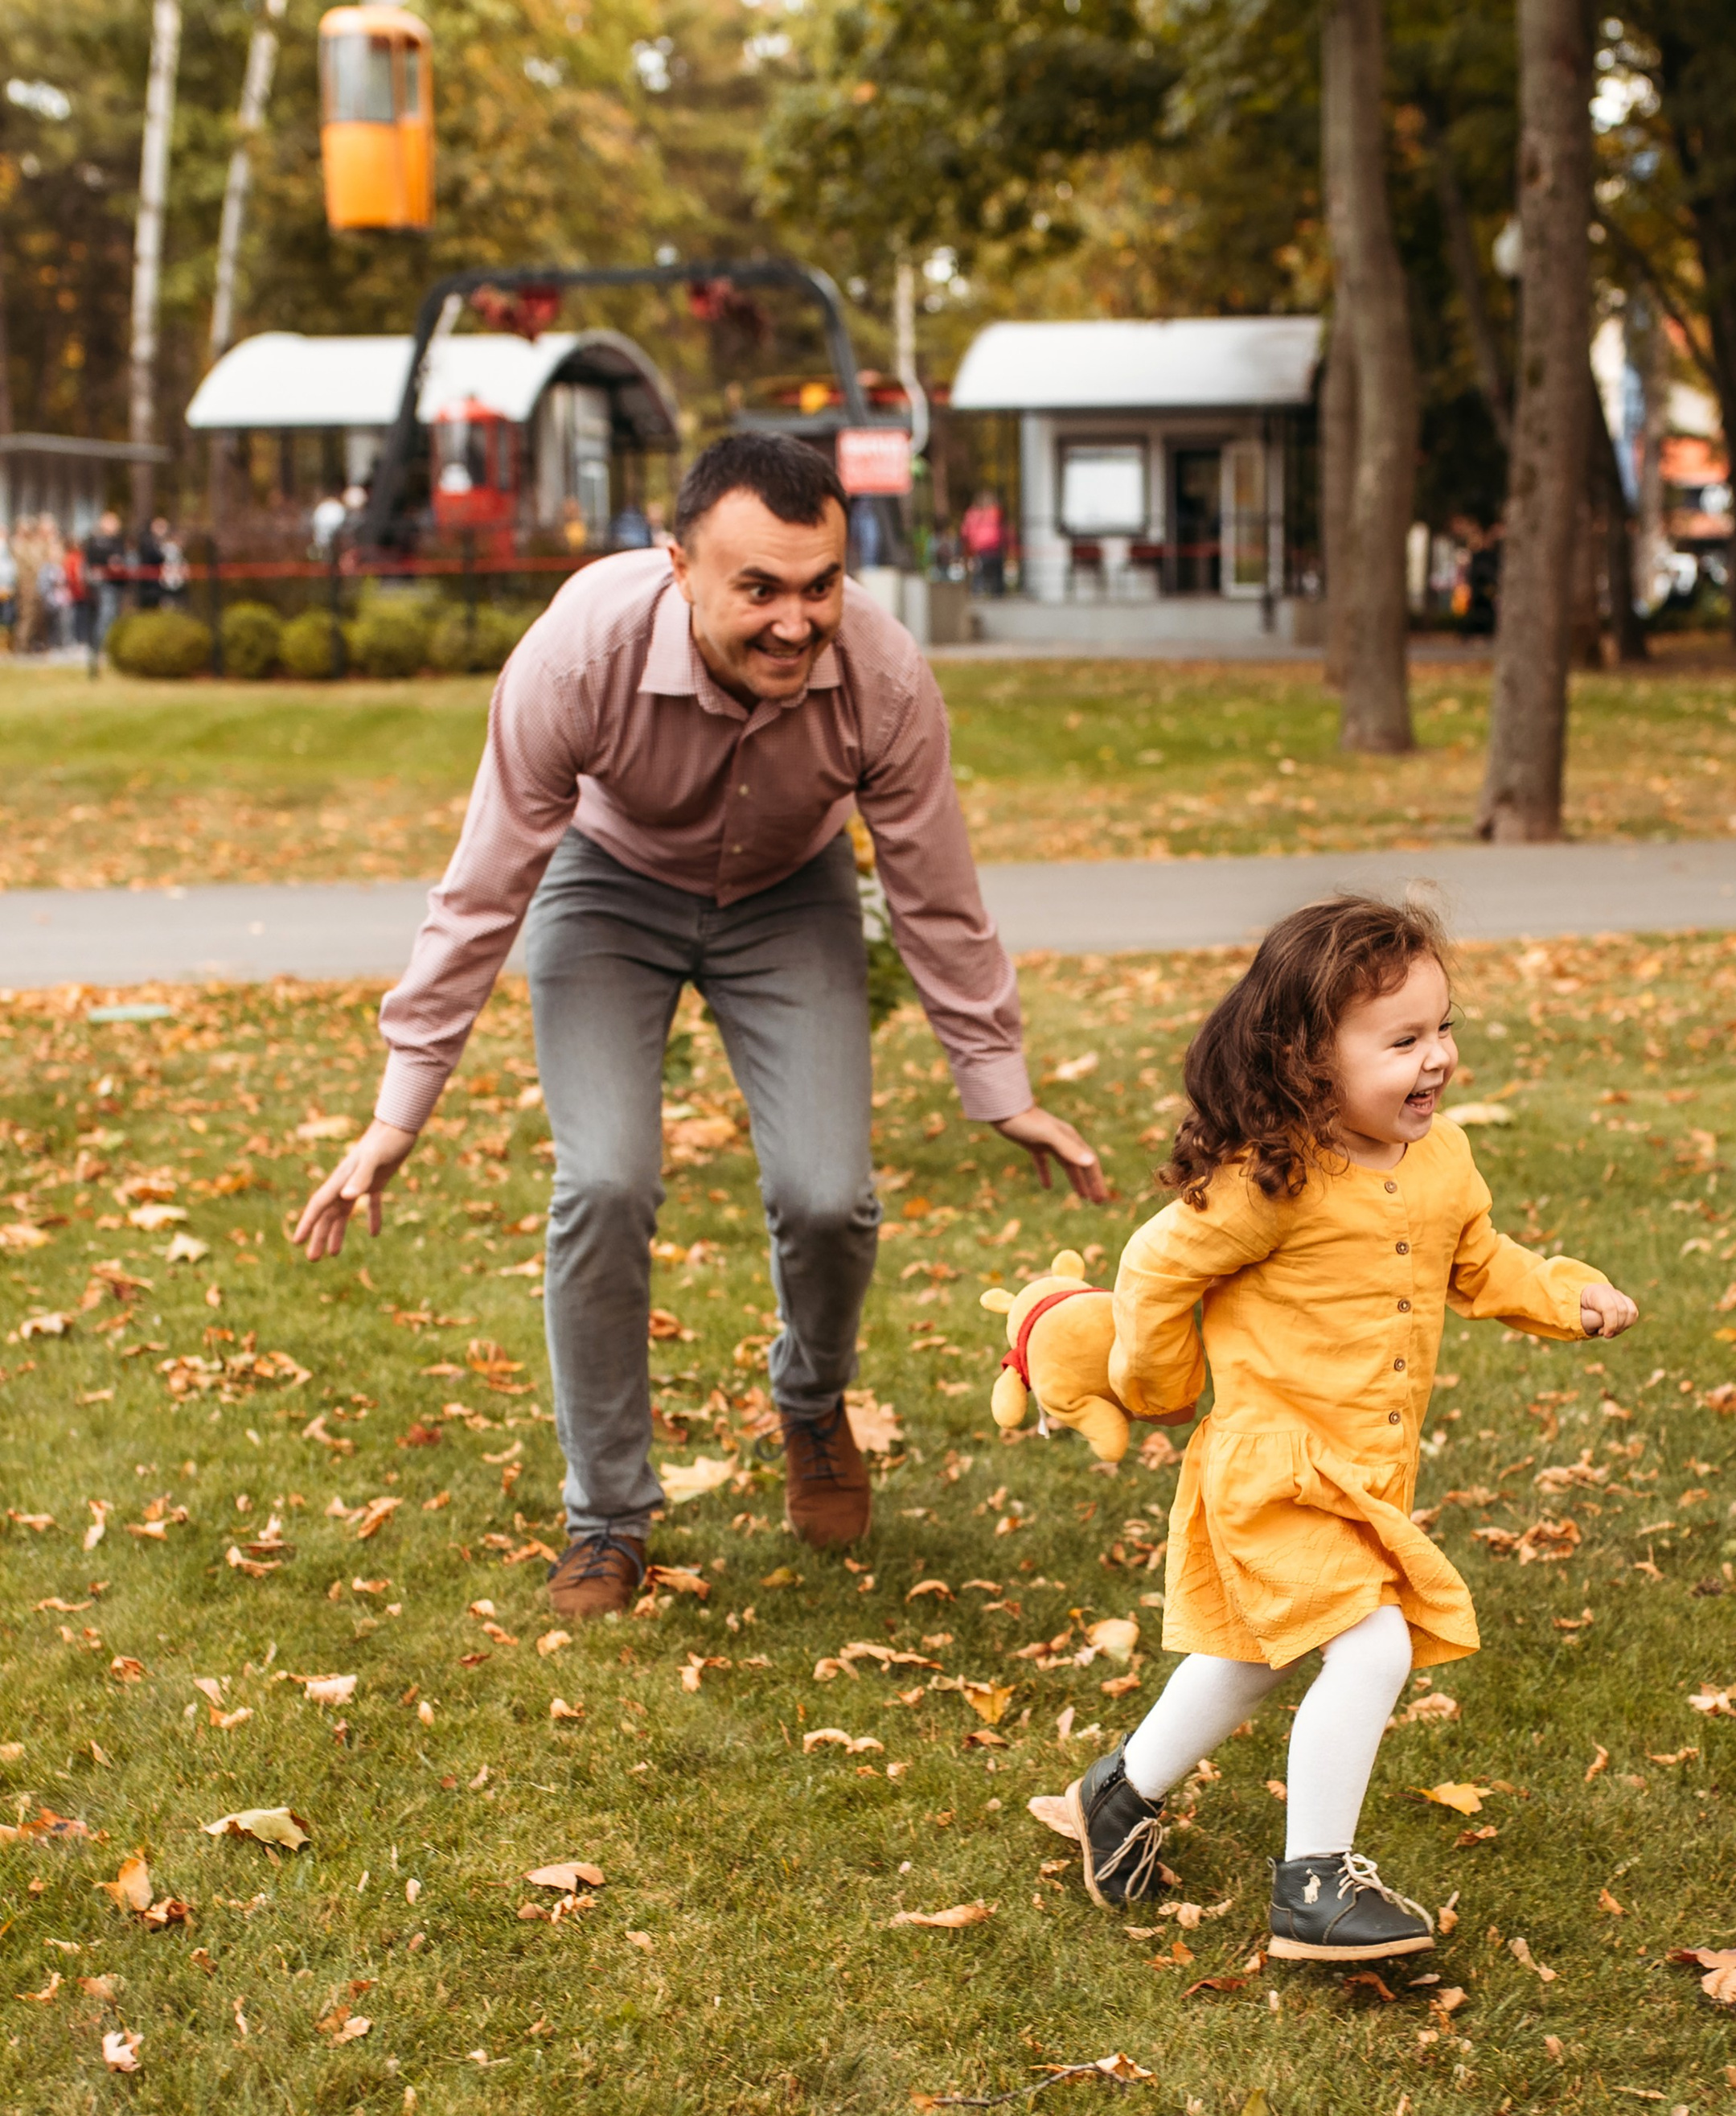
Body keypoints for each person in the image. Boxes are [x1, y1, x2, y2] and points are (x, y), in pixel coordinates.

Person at [291, 429, 1105, 1618]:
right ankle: (607, 1515)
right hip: (608, 888)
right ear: (679, 566)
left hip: (790, 894)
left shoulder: (881, 675)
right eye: (759, 589)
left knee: (832, 1194)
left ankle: (813, 1401)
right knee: (605, 1183)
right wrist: (397, 1109)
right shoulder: (578, 657)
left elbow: (935, 884)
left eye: (818, 585)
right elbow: (483, 889)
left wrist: (999, 1083)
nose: (794, 620)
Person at [1047, 896, 1638, 1967]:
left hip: (1363, 1469)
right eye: (1402, 1041)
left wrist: (1564, 1294)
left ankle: (1115, 1794)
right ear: (1307, 1060)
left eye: (1443, 1029)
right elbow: (1151, 1269)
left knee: (1246, 1658)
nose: (1437, 1060)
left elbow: (1480, 1259)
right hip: (1273, 1462)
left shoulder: (1444, 1158)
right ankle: (1314, 1880)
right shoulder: (1271, 1175)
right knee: (1374, 1646)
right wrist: (1160, 1381)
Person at [84, 510, 126, 649]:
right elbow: (92, 557)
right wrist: (109, 561)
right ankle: (100, 646)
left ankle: (111, 643)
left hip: (116, 582)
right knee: (105, 613)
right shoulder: (96, 539)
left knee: (113, 613)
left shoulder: (118, 540)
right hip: (102, 582)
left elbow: (122, 556)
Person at [961, 487, 1007, 597]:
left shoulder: (973, 514)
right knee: (995, 573)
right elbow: (1002, 530)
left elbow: (965, 532)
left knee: (980, 573)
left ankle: (978, 592)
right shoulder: (996, 513)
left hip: (980, 548)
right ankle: (996, 593)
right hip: (993, 547)